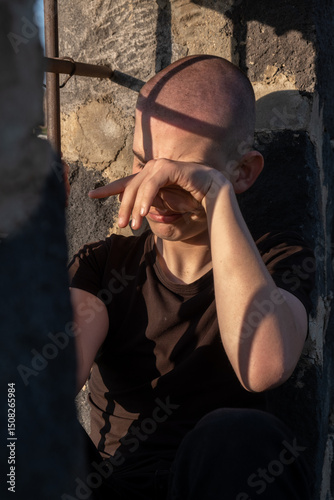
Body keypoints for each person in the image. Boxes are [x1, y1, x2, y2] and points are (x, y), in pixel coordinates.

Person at [68, 55, 315, 499]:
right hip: (111, 486)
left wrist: (215, 195)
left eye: (181, 176)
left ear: (242, 172)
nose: (154, 188)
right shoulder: (104, 265)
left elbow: (263, 368)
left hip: (217, 483)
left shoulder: (276, 256)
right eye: (144, 163)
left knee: (241, 432)